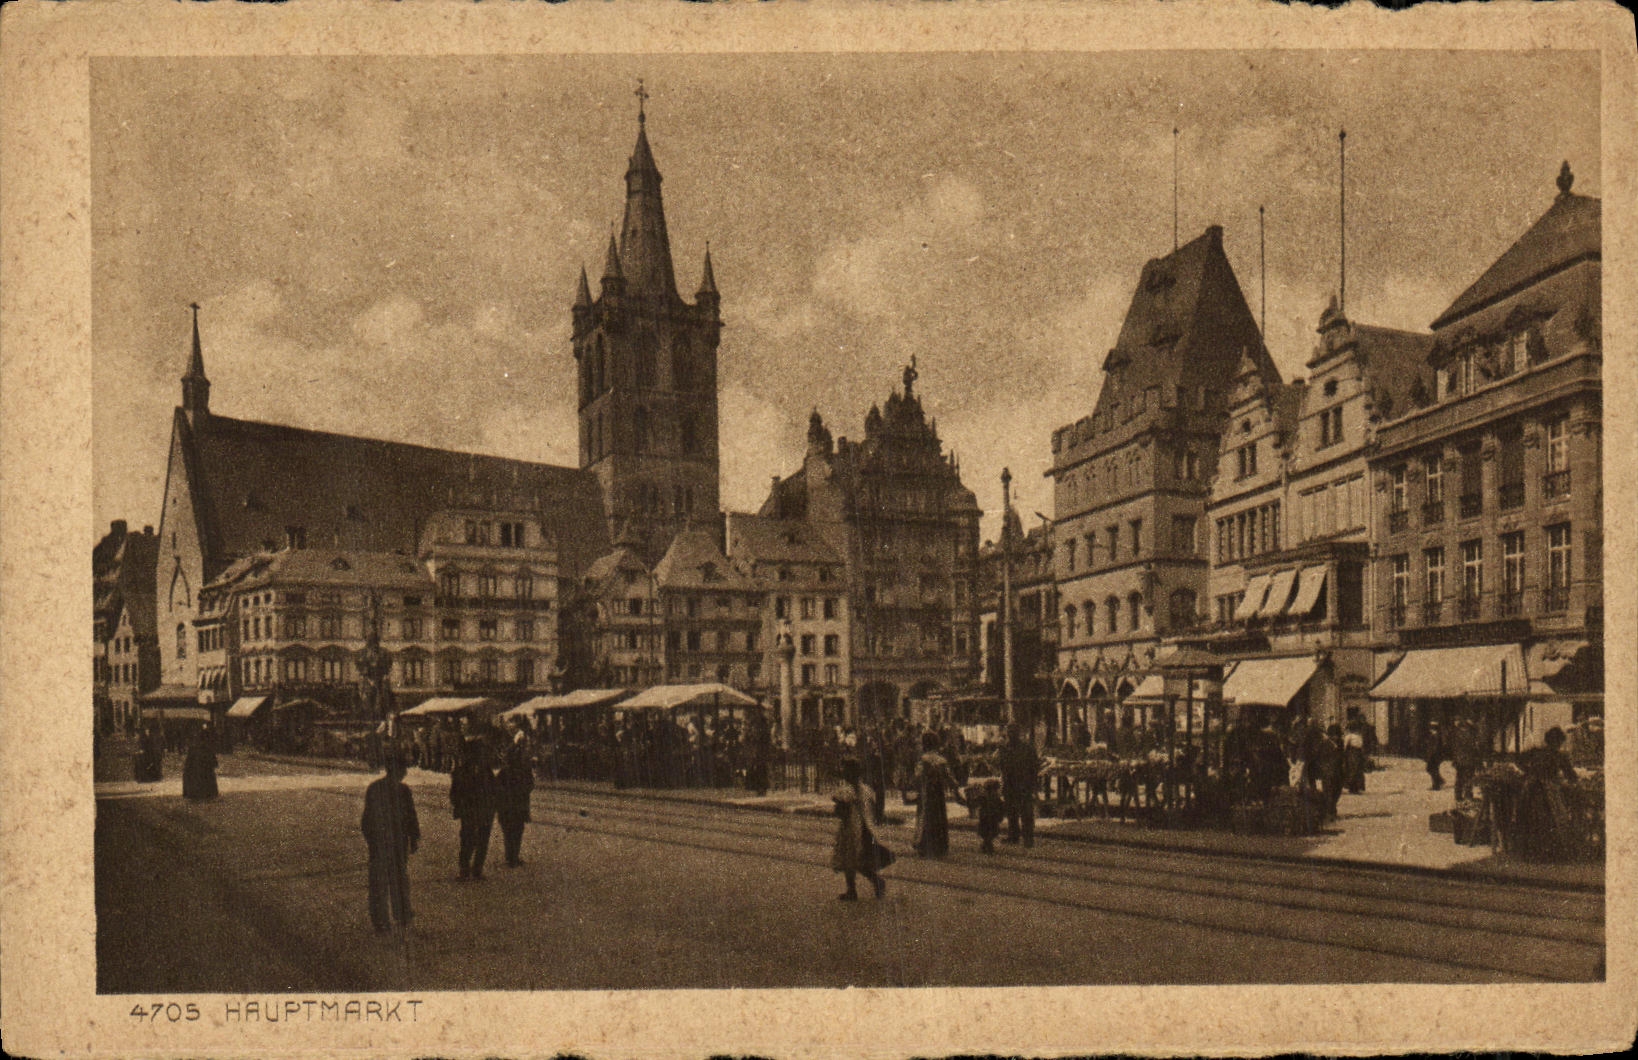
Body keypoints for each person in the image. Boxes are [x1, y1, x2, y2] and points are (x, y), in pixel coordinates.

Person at [361, 754, 420, 934]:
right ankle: (394, 916)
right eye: (403, 769)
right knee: (393, 880)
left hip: (387, 843)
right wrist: (414, 837)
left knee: (388, 881)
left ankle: (388, 918)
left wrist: (372, 840)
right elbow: (411, 817)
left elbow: (367, 820)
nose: (405, 773)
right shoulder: (399, 790)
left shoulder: (379, 788)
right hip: (391, 842)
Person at [1512, 726, 1581, 861]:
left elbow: (1518, 759)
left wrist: (1529, 771)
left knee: (1530, 820)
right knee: (1551, 820)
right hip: (1547, 791)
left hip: (1531, 788)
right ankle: (1547, 854)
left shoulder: (1536, 752)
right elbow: (1571, 775)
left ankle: (1529, 853)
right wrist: (1573, 780)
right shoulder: (1559, 756)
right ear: (1558, 742)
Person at [831, 758, 888, 900]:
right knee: (859, 859)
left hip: (851, 827)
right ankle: (875, 881)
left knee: (850, 858)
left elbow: (840, 810)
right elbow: (874, 808)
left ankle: (854, 889)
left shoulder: (846, 791)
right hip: (865, 827)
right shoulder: (866, 790)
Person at [450, 738, 498, 881]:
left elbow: (494, 789)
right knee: (467, 839)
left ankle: (477, 869)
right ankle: (464, 869)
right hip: (469, 811)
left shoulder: (487, 771)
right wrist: (460, 806)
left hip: (485, 810)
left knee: (483, 840)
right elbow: (454, 793)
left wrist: (492, 805)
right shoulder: (460, 771)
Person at [913, 731, 962, 858]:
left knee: (925, 817)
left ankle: (924, 844)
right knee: (939, 818)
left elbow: (917, 776)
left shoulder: (923, 759)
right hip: (938, 793)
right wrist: (955, 786)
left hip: (926, 792)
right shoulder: (942, 760)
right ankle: (940, 845)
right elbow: (950, 778)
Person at [997, 723, 1040, 848]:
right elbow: (1002, 766)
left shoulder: (1027, 748)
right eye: (1009, 733)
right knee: (1012, 812)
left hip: (1024, 784)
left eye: (1013, 732)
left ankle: (1028, 838)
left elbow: (1034, 767)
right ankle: (1014, 835)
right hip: (1010, 784)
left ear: (1018, 733)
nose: (1011, 735)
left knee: (1026, 812)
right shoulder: (1005, 748)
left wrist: (1033, 784)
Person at [495, 736, 534, 868]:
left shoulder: (504, 772)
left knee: (509, 831)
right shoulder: (524, 771)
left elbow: (496, 788)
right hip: (519, 806)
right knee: (517, 831)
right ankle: (514, 857)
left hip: (506, 807)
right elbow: (530, 785)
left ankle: (510, 857)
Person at [181, 725, 219, 801]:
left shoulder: (194, 747)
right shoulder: (207, 748)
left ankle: (196, 793)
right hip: (205, 769)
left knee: (198, 778)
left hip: (197, 770)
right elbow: (213, 761)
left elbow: (188, 762)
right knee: (207, 778)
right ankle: (207, 793)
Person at [1450, 718, 1483, 803]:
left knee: (1460, 777)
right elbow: (1475, 749)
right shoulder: (1471, 736)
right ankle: (1467, 794)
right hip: (1469, 760)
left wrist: (1455, 760)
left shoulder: (1457, 734)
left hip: (1460, 760)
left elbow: (1454, 748)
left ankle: (1458, 795)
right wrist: (1479, 762)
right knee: (1468, 777)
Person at [975, 778, 1005, 854]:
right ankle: (987, 846)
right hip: (986, 820)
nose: (997, 792)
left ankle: (986, 845)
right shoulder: (984, 798)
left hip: (991, 820)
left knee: (991, 834)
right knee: (989, 834)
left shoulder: (996, 799)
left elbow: (1002, 808)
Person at [1342, 720, 1367, 794]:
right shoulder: (1357, 736)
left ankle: (1353, 787)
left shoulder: (1350, 736)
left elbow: (1345, 745)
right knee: (1356, 770)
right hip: (1355, 753)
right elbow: (1361, 745)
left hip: (1352, 753)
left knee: (1353, 770)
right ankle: (1355, 787)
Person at [1422, 721, 1447, 791]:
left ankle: (1436, 785)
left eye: (1432, 728)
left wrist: (1430, 756)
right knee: (1432, 769)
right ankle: (1439, 781)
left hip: (1434, 756)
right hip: (1433, 756)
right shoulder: (1433, 735)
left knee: (1433, 769)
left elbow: (1434, 748)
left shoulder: (1436, 736)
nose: (1430, 729)